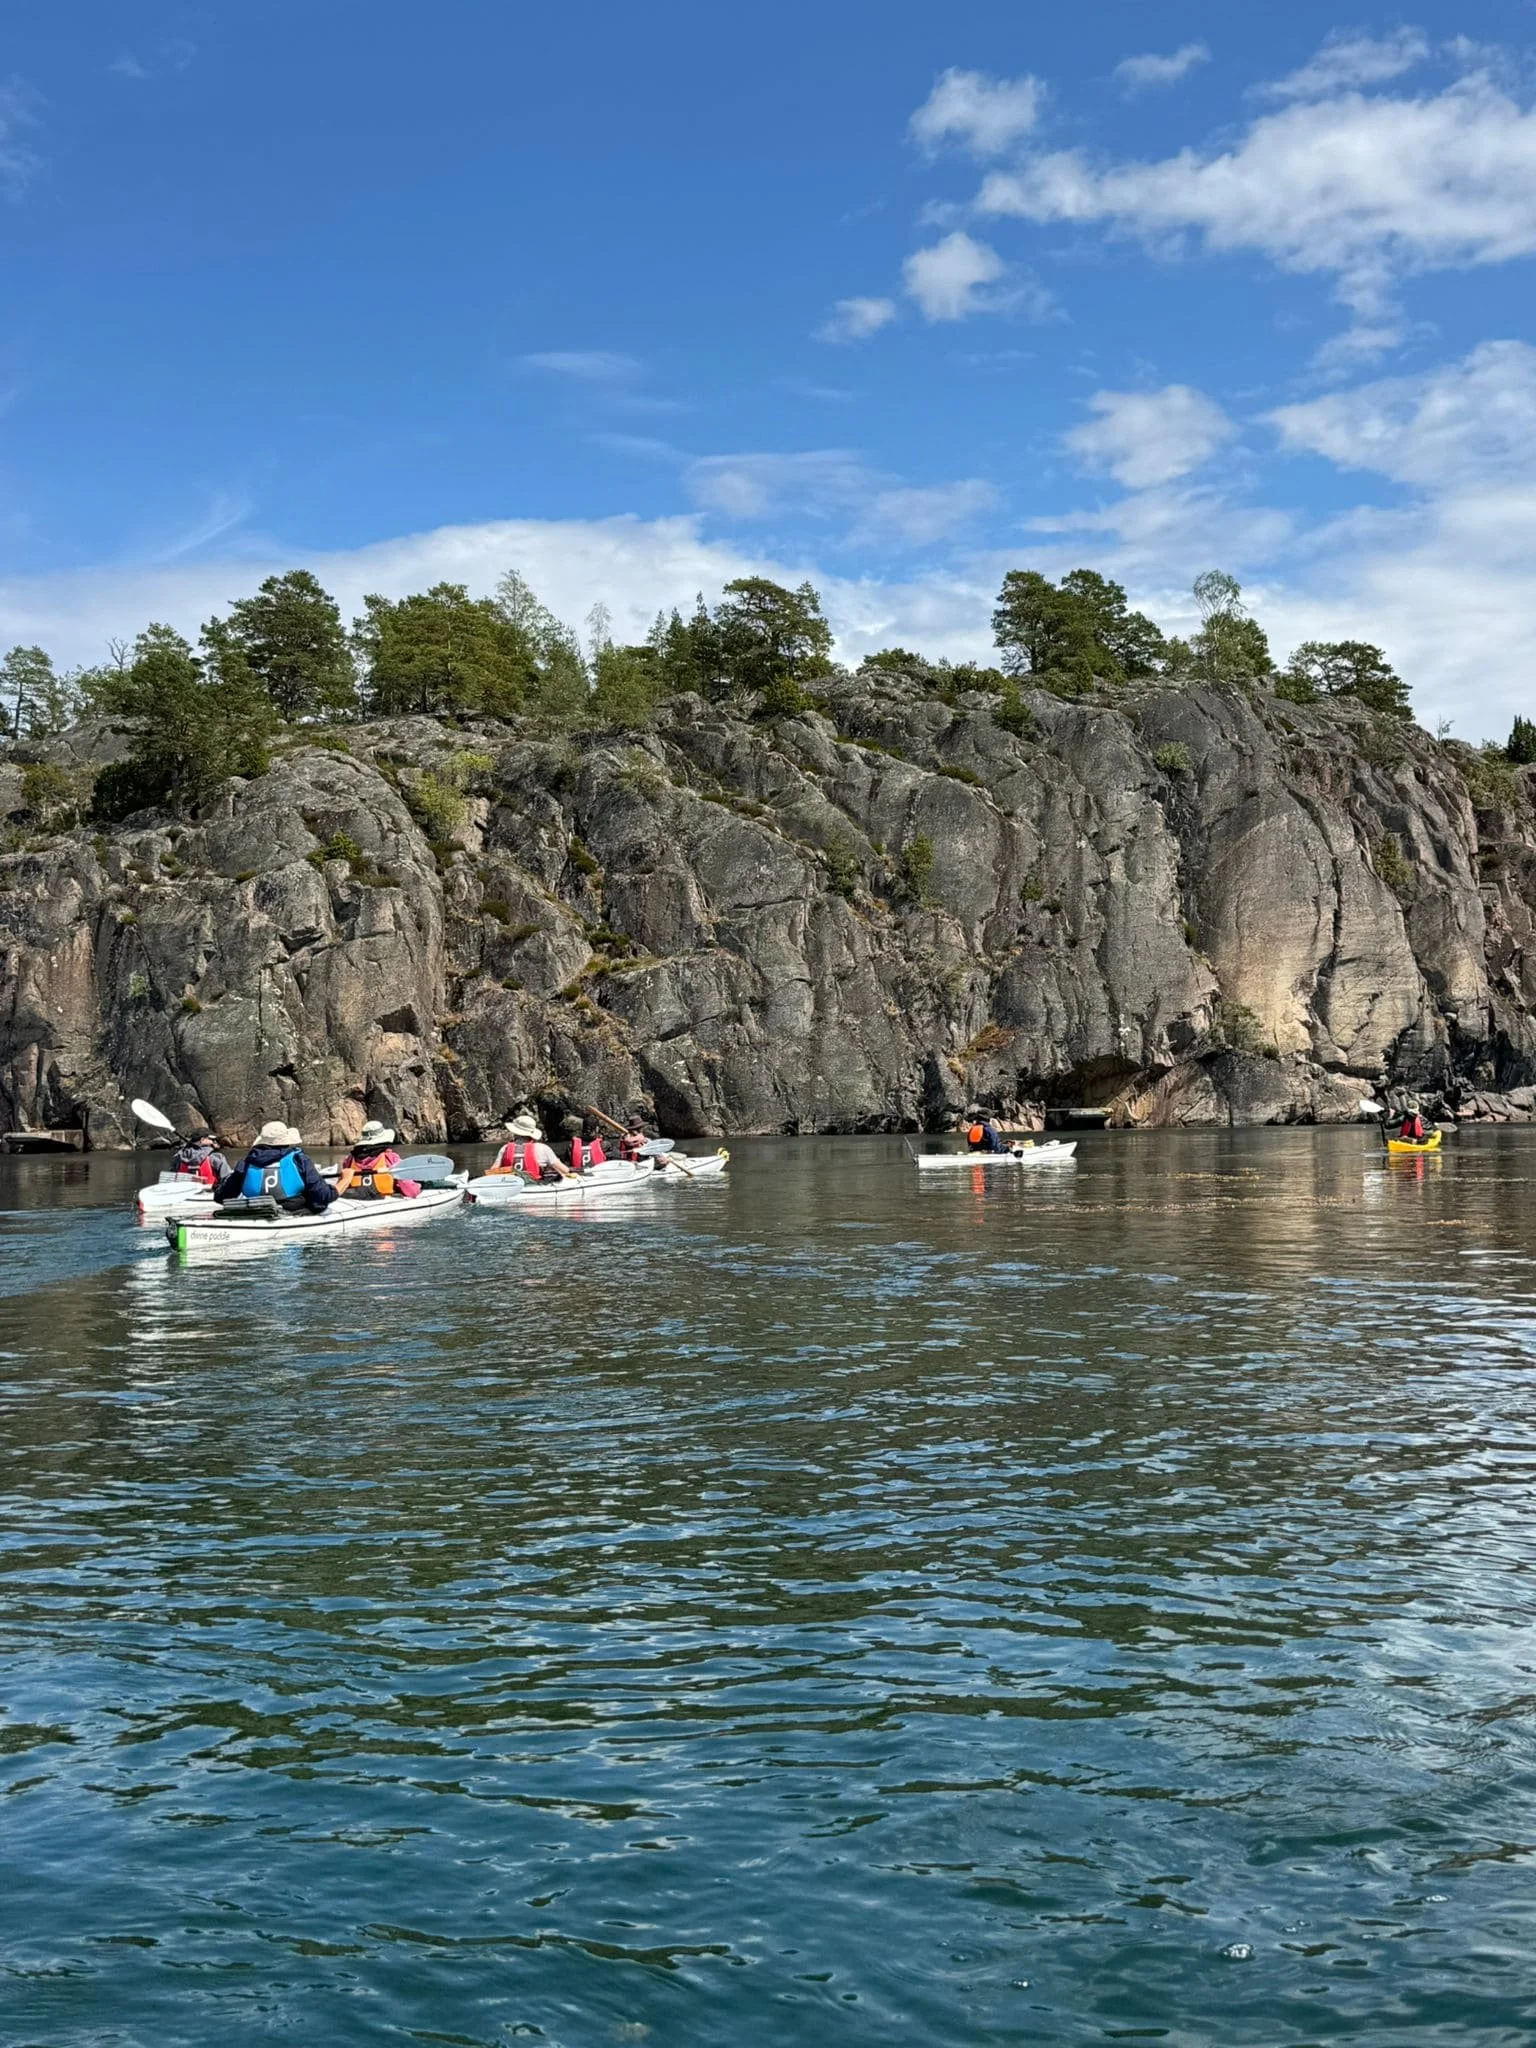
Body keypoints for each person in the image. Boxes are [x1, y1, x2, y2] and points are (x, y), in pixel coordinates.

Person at [216, 1121, 337, 1212]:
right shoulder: (299, 1159)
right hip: (292, 1210)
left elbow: (221, 1197)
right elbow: (323, 1196)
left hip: (255, 1210)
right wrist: (341, 1184)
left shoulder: (245, 1163)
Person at [337, 1120, 420, 1199]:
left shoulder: (349, 1159)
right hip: (382, 1203)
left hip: (355, 1202)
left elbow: (341, 1185)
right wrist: (417, 1187)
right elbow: (411, 1192)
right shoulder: (391, 1158)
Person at [488, 1111, 574, 1182]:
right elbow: (564, 1170)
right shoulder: (543, 1148)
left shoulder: (505, 1148)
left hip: (510, 1187)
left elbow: (493, 1171)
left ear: (515, 1132)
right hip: (534, 1186)